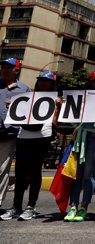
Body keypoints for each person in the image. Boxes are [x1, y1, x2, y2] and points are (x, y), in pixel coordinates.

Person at [1, 71, 59, 221]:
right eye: (41, 80)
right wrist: (14, 105)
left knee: (34, 172)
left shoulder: (56, 100)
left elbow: (56, 123)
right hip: (23, 135)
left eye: (46, 81)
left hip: (42, 136)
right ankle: (16, 206)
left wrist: (57, 109)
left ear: (52, 84)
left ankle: (30, 206)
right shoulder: (28, 97)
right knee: (20, 172)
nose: (43, 83)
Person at [63, 71, 95, 222]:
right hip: (81, 136)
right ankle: (73, 206)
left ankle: (84, 206)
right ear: (90, 82)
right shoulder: (81, 97)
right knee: (77, 175)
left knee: (89, 175)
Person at [0, 58, 31, 212]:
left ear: (16, 70)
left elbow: (30, 112)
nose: (4, 69)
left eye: (8, 67)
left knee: (2, 169)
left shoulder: (24, 89)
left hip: (9, 133)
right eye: (3, 66)